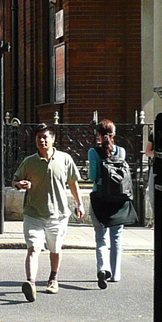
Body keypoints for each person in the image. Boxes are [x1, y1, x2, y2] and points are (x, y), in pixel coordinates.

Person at [12, 124, 84, 301]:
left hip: (58, 214)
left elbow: (73, 182)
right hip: (33, 213)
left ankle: (53, 278)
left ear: (53, 139)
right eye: (39, 138)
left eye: (45, 137)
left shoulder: (65, 159)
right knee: (33, 249)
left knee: (55, 249)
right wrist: (20, 184)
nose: (42, 140)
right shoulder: (29, 162)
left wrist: (80, 203)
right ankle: (31, 283)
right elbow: (15, 180)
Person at [87, 119, 132, 288]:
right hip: (119, 201)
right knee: (117, 237)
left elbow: (92, 177)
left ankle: (103, 268)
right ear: (114, 134)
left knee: (101, 238)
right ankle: (116, 274)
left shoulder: (94, 152)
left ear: (98, 134)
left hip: (100, 199)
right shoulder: (122, 151)